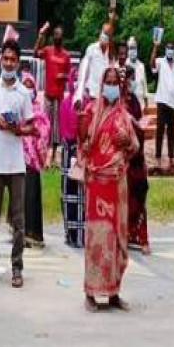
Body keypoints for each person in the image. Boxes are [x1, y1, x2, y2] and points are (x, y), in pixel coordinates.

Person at [78, 67, 138, 312]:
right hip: (97, 183)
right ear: (102, 85)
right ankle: (91, 292)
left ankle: (114, 292)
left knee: (117, 238)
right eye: (108, 82)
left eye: (115, 83)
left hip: (118, 183)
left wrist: (127, 142)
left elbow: (134, 147)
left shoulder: (124, 114)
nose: (112, 86)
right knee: (98, 238)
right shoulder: (91, 111)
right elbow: (83, 143)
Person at [0, 40, 35, 289]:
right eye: (6, 58)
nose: (9, 63)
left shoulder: (23, 93)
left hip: (16, 165)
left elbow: (31, 126)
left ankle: (17, 267)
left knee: (18, 220)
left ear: (18, 63)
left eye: (13, 59)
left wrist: (18, 128)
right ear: (0, 60)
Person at [35, 21, 71, 166]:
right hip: (48, 95)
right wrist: (41, 35)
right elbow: (35, 53)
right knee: (45, 124)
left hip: (59, 96)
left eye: (60, 35)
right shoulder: (48, 51)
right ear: (53, 37)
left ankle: (54, 155)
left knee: (56, 127)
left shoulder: (66, 55)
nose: (57, 37)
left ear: (62, 38)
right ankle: (43, 153)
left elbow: (70, 75)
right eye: (55, 35)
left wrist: (63, 76)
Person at [21, 72, 50, 249]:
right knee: (20, 197)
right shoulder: (18, 109)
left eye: (31, 86)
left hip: (33, 161)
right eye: (25, 86)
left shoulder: (39, 111)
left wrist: (37, 140)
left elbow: (43, 133)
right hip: (18, 159)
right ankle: (21, 233)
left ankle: (33, 234)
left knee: (31, 196)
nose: (28, 90)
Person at [123, 64, 150, 254]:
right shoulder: (117, 102)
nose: (131, 82)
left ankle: (142, 237)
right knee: (124, 199)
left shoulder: (134, 100)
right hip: (123, 158)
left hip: (137, 157)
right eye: (128, 78)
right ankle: (123, 235)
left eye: (132, 78)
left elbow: (140, 124)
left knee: (140, 196)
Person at [59, 60, 86, 248]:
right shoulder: (65, 103)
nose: (75, 83)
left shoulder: (87, 103)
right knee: (68, 194)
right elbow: (62, 129)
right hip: (68, 152)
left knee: (82, 196)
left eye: (79, 79)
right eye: (73, 79)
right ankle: (70, 233)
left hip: (83, 152)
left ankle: (82, 235)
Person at [150, 40, 174, 173]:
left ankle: (171, 159)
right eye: (168, 48)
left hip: (173, 103)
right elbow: (152, 64)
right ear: (165, 50)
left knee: (171, 132)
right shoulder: (161, 61)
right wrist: (155, 47)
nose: (170, 50)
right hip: (162, 101)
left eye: (171, 48)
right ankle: (158, 159)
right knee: (160, 130)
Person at [74, 23, 113, 111]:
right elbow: (83, 74)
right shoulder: (91, 49)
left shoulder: (110, 54)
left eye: (107, 35)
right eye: (104, 33)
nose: (105, 36)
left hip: (104, 97)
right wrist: (79, 96)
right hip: (91, 95)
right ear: (100, 33)